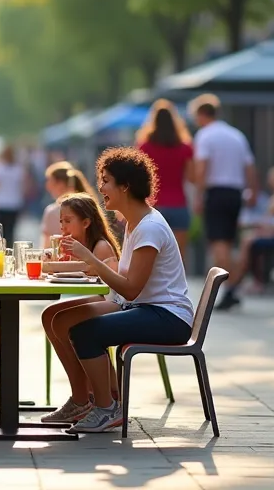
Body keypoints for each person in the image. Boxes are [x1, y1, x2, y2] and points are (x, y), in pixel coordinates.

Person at [56, 147, 195, 434]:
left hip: (168, 317)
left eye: (106, 180)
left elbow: (131, 289)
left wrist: (92, 260)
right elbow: (125, 280)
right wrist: (95, 266)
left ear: (125, 185)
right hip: (146, 308)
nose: (101, 187)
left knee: (85, 332)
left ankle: (107, 408)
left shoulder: (150, 228)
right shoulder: (136, 222)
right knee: (66, 319)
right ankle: (95, 401)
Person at [38, 193, 122, 424]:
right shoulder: (81, 245)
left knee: (62, 320)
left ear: (86, 222)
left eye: (68, 221)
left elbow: (93, 272)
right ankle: (81, 397)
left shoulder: (101, 245)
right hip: (100, 300)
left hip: (116, 303)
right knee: (50, 315)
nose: (63, 226)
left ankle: (83, 398)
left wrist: (53, 265)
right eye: (61, 221)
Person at [191, 96, 258, 280]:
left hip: (216, 193)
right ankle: (234, 285)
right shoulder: (236, 135)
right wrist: (253, 191)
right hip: (236, 193)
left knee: (218, 244)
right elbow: (250, 167)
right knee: (228, 242)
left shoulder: (205, 135)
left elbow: (202, 168)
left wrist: (198, 195)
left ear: (202, 114)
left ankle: (231, 287)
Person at [217, 165, 274, 311]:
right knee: (247, 239)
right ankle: (242, 277)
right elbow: (269, 220)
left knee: (248, 241)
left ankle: (243, 277)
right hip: (273, 233)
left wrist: (261, 227)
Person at [137, 99, 198, 259]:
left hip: (153, 206)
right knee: (179, 255)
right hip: (179, 205)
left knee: (152, 255)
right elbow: (192, 177)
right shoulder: (185, 148)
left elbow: (139, 176)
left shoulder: (144, 147)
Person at [40, 162, 93, 243]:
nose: (47, 186)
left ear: (60, 184)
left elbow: (46, 246)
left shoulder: (51, 211)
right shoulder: (88, 206)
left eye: (50, 181)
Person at [0, 145, 27, 241]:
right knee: (10, 232)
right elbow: (24, 186)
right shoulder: (18, 169)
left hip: (0, 202)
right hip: (14, 203)